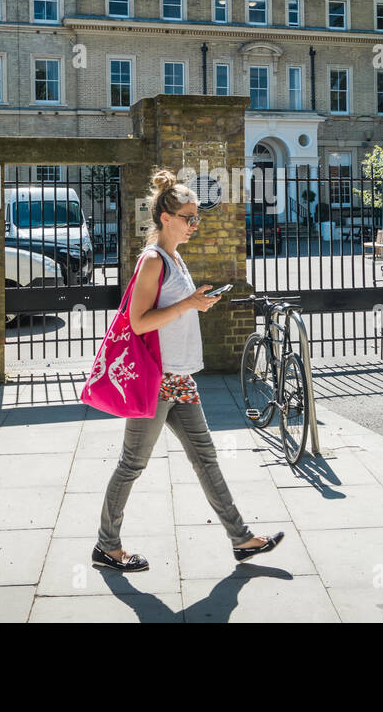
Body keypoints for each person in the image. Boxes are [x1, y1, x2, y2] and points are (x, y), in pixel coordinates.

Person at [93, 168, 285, 572]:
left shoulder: (175, 258)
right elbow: (139, 321)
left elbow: (172, 312)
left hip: (179, 377)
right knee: (133, 463)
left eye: (197, 217)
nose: (195, 224)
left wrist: (197, 301)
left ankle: (241, 539)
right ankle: (107, 546)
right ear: (166, 217)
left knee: (206, 458)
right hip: (157, 379)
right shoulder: (152, 260)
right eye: (189, 217)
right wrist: (188, 305)